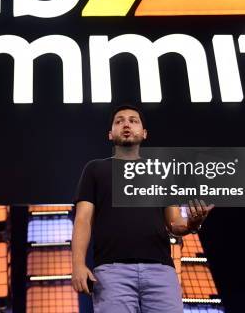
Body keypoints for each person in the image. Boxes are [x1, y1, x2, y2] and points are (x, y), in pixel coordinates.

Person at [71, 104, 214, 313]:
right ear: (111, 134)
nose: (126, 124)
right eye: (119, 121)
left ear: (144, 133)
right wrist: (78, 265)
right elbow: (83, 220)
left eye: (133, 120)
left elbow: (174, 223)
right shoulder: (95, 169)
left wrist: (193, 223)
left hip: (161, 272)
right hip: (111, 273)